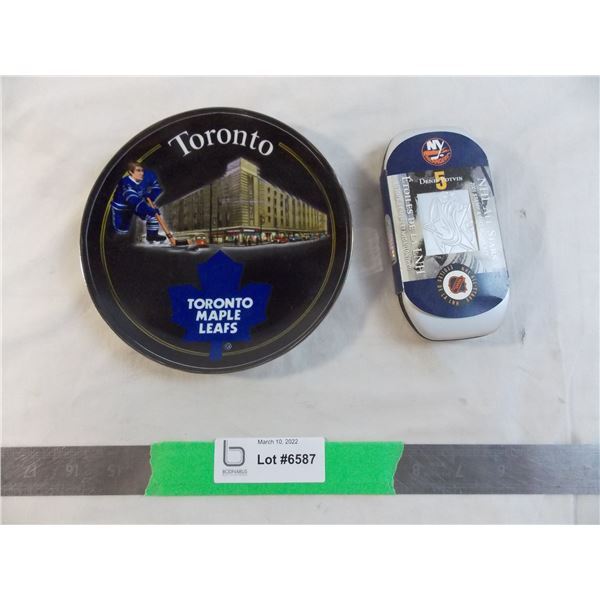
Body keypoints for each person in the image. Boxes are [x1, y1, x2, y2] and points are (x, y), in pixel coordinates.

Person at [111, 161, 166, 242]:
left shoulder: (148, 175)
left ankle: (152, 236)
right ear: (130, 172)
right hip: (122, 208)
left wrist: (151, 197)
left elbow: (157, 187)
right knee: (122, 231)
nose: (141, 173)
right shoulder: (125, 183)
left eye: (142, 170)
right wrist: (148, 209)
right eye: (138, 171)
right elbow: (134, 201)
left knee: (153, 215)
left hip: (138, 202)